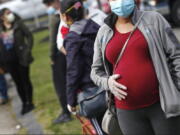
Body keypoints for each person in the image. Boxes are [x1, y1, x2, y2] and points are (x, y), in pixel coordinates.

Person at [91, 0, 180, 135]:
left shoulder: (154, 19)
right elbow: (95, 71)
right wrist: (107, 82)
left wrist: (176, 88)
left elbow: (176, 55)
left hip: (162, 106)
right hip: (127, 113)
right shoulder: (104, 32)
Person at [60, 0, 106, 132]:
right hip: (110, 84)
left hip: (92, 93)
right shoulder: (97, 28)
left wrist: (71, 101)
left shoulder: (73, 38)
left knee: (101, 129)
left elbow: (73, 71)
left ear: (65, 17)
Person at [0, 8, 34, 115]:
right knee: (18, 83)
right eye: (7, 13)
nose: (10, 15)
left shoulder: (18, 24)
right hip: (8, 61)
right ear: (2, 17)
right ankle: (24, 103)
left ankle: (30, 102)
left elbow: (29, 36)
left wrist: (27, 51)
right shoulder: (1, 29)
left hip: (21, 58)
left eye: (10, 12)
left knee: (25, 81)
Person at [42, 0, 71, 124]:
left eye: (49, 4)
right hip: (69, 51)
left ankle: (65, 111)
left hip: (59, 54)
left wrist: (51, 56)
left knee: (60, 83)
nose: (50, 7)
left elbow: (53, 40)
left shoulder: (56, 17)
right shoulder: (72, 8)